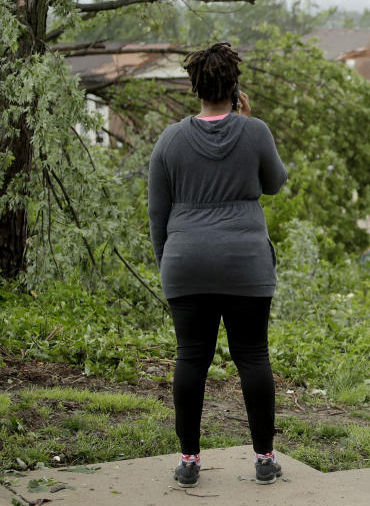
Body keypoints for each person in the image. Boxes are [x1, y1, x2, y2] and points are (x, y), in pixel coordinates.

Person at [147, 42, 287, 488]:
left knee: (191, 358)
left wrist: (167, 262)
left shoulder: (169, 140)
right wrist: (249, 127)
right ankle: (264, 459)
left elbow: (157, 214)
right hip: (245, 263)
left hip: (185, 262)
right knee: (253, 356)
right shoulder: (256, 131)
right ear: (235, 86)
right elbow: (275, 184)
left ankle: (189, 462)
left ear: (196, 87)